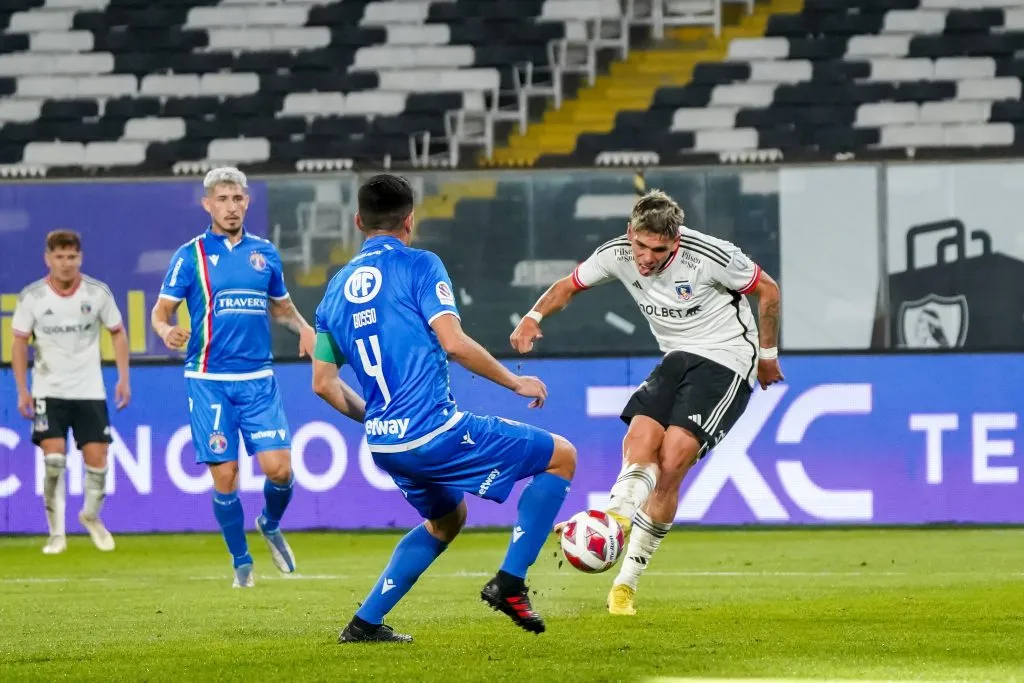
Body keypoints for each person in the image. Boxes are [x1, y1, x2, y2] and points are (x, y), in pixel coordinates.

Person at [313, 174, 576, 643]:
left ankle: (364, 624)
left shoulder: (334, 290)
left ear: (358, 222)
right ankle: (510, 582)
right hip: (432, 431)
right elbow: (453, 343)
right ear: (410, 220)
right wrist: (514, 381)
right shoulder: (420, 264)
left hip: (385, 442)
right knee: (562, 456)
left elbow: (323, 384)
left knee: (446, 520)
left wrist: (376, 417)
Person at [510, 189, 784, 616]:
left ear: (675, 242)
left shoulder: (712, 255)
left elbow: (768, 290)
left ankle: (626, 583)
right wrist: (533, 316)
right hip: (675, 356)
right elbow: (568, 286)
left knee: (673, 460)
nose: (646, 257)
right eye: (640, 245)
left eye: (658, 249)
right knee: (641, 440)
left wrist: (767, 357)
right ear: (629, 233)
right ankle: (616, 519)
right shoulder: (617, 253)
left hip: (727, 356)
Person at [150, 166, 316, 588]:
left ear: (247, 202)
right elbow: (161, 311)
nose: (230, 207)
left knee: (280, 471)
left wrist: (306, 329)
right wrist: (168, 330)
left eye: (237, 198)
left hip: (258, 378)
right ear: (207, 204)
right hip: (208, 380)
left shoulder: (265, 253)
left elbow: (280, 308)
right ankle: (241, 561)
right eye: (221, 200)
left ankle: (270, 523)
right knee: (225, 478)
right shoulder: (191, 256)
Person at [12, 229, 131, 555]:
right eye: (60, 257)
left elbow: (118, 334)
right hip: (48, 390)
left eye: (72, 257)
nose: (66, 264)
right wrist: (23, 390)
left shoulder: (97, 293)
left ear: (80, 258)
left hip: (89, 390)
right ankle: (56, 534)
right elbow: (19, 343)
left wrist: (123, 378)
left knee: (98, 460)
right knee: (53, 461)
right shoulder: (33, 297)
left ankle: (91, 516)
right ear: (48, 259)